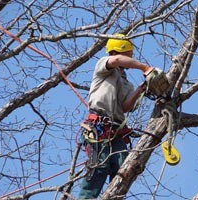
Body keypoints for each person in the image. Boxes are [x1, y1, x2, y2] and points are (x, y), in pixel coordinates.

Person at [78, 34, 153, 199]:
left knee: (123, 170)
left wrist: (140, 90)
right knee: (98, 168)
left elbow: (126, 107)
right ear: (121, 50)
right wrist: (144, 68)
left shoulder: (126, 82)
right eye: (129, 53)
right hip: (98, 127)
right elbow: (116, 61)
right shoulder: (104, 66)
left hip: (116, 132)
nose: (131, 57)